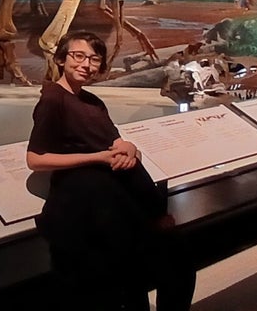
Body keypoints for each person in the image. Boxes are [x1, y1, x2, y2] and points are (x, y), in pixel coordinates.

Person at [26, 30, 196, 311]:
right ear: (61, 59)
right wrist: (99, 157)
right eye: (78, 56)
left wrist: (129, 148)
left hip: (117, 202)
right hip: (86, 209)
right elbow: (35, 159)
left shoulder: (93, 101)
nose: (86, 64)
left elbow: (116, 142)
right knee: (121, 282)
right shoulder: (53, 100)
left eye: (94, 59)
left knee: (174, 263)